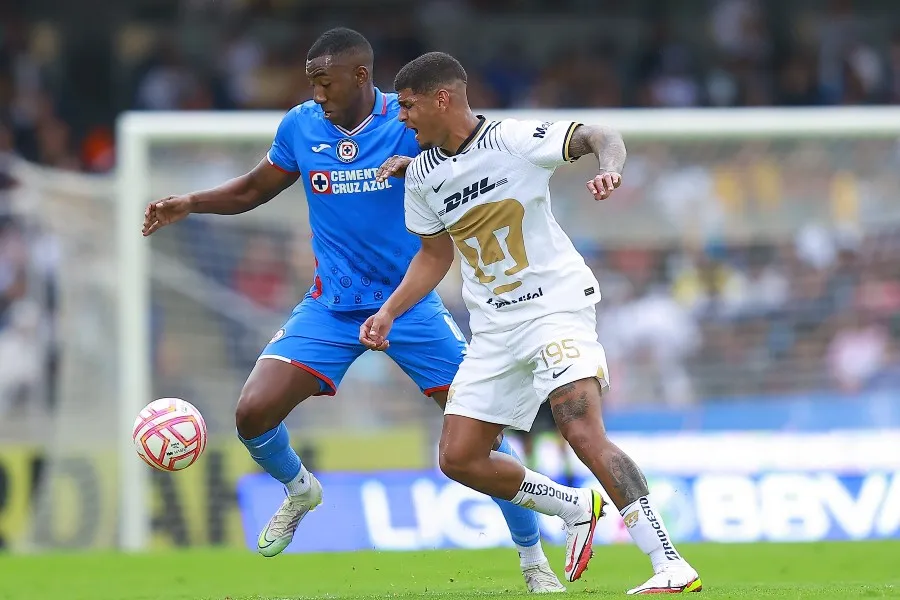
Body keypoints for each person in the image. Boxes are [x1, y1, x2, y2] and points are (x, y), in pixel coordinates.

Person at [141, 29, 564, 593]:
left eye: (325, 82)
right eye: (311, 83)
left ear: (361, 76)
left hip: (407, 306)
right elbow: (253, 189)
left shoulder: (409, 120)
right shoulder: (300, 126)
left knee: (480, 439)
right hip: (332, 306)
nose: (317, 93)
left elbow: (467, 159)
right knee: (252, 415)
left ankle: (533, 559)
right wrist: (191, 203)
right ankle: (300, 490)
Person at [360, 51, 702, 594]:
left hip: (554, 309)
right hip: (493, 327)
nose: (401, 118)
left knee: (580, 429)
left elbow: (599, 133)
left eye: (407, 106)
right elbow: (433, 255)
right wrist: (388, 311)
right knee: (459, 457)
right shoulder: (422, 173)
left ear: (441, 98)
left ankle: (669, 563)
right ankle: (572, 507)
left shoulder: (513, 140)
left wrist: (609, 166)